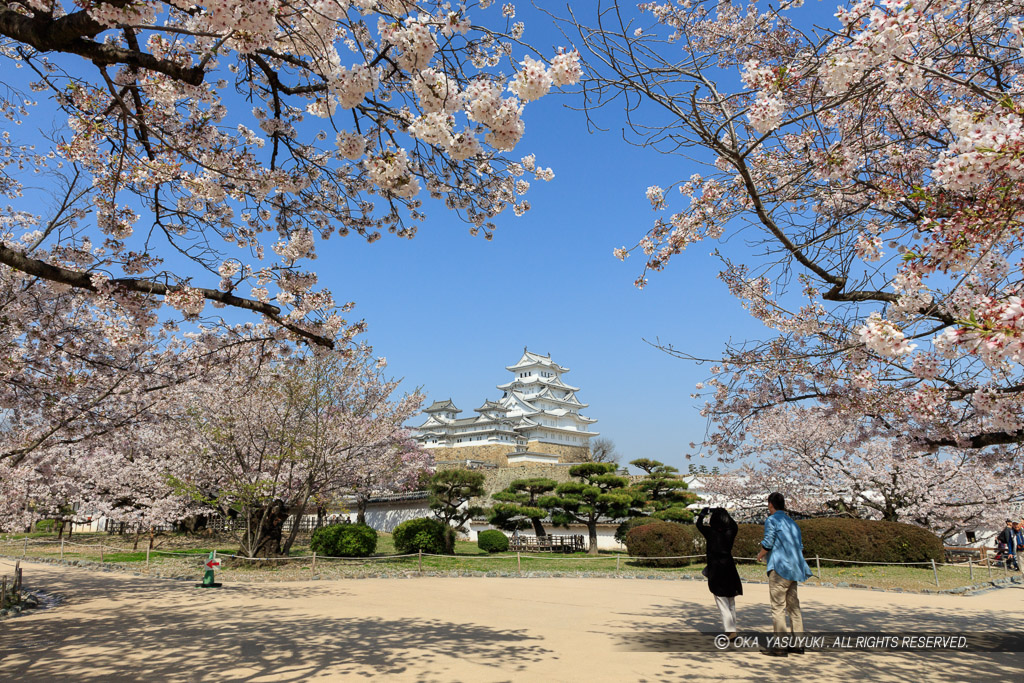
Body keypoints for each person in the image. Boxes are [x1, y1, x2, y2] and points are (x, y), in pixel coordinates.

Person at [756, 492, 812, 657]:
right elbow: (800, 546)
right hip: (794, 569)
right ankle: (798, 645)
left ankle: (780, 646)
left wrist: (760, 554)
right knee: (794, 608)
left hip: (779, 568)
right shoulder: (793, 523)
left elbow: (768, 541)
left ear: (771, 504)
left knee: (778, 608)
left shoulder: (772, 520)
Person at [696, 507, 743, 639]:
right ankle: (732, 628)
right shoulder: (731, 531)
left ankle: (730, 630)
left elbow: (698, 525)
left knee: (721, 599)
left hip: (716, 568)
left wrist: (703, 514)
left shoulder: (710, 532)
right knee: (730, 599)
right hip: (729, 566)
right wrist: (724, 513)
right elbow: (734, 525)